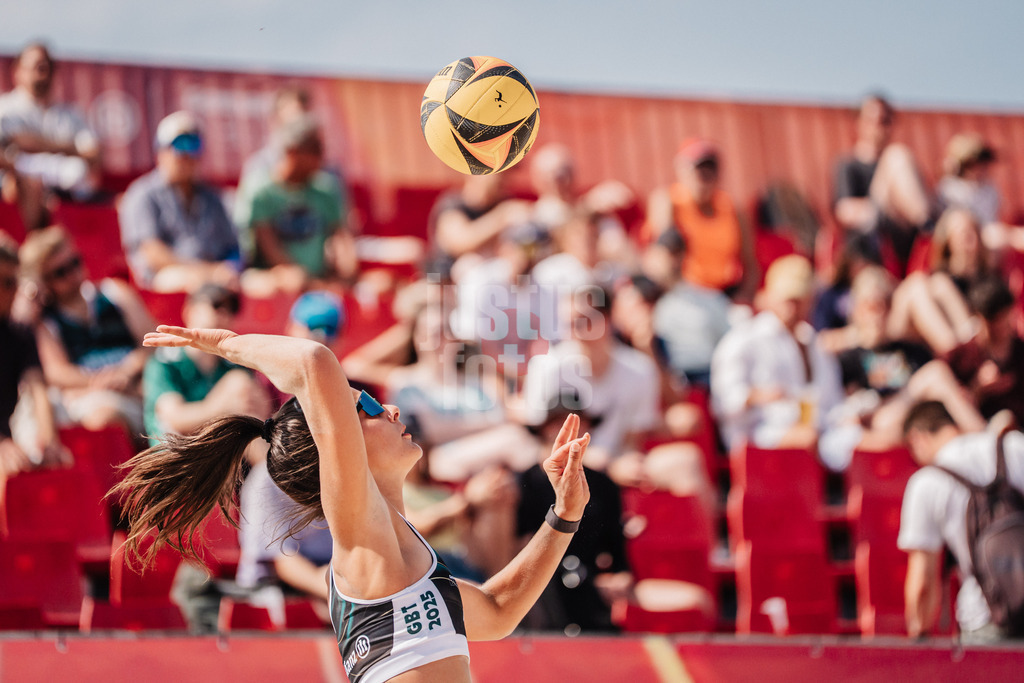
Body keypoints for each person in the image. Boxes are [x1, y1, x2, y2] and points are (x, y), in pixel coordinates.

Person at [112, 324, 591, 683]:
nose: (391, 408)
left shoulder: (400, 550)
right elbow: (314, 361)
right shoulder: (359, 525)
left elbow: (499, 609)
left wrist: (564, 515)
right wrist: (226, 344)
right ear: (339, 447)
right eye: (369, 408)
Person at [899, 401, 1024, 643]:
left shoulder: (926, 482)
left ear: (917, 438)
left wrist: (919, 636)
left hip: (985, 617)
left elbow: (923, 580)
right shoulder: (1015, 446)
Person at [710, 255, 851, 470]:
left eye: (800, 299)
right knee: (808, 438)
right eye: (788, 299)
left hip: (818, 432)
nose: (793, 307)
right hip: (757, 436)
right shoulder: (744, 340)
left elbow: (832, 403)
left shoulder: (814, 343)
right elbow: (724, 401)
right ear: (769, 297)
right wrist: (758, 395)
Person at [20, 226, 153, 434]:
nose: (72, 273)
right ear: (45, 281)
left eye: (74, 262)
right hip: (91, 395)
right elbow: (56, 372)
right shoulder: (47, 321)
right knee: (104, 417)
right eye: (60, 272)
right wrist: (101, 381)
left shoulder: (115, 292)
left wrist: (129, 369)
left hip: (137, 383)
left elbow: (154, 341)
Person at [118, 111, 240, 292]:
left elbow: (232, 248)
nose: (187, 155)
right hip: (162, 279)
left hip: (213, 275)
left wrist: (229, 269)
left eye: (194, 145)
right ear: (161, 152)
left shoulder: (214, 197)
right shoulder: (142, 194)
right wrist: (207, 272)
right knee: (192, 281)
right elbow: (152, 254)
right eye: (180, 145)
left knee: (261, 283)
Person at [239, 114, 357, 295]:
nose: (321, 156)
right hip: (281, 285)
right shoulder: (261, 192)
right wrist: (308, 282)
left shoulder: (326, 190)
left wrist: (347, 274)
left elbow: (341, 238)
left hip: (320, 282)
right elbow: (270, 249)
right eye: (314, 149)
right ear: (292, 151)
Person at [142, 284, 270, 445]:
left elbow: (262, 414)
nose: (223, 314)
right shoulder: (165, 363)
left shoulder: (235, 366)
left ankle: (266, 461)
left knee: (241, 385)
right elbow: (175, 419)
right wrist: (225, 409)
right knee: (238, 383)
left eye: (231, 309)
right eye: (216, 305)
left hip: (223, 450)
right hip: (178, 453)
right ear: (191, 311)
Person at [0, 43, 101, 230]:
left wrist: (36, 145)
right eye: (36, 66)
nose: (41, 72)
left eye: (46, 67)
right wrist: (69, 148)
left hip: (67, 195)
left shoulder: (71, 114)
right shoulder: (4, 108)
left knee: (78, 174)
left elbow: (94, 156)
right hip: (17, 195)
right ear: (17, 72)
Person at [646, 138, 759, 302]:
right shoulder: (669, 202)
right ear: (681, 171)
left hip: (724, 293)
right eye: (697, 170)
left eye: (710, 170)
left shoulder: (733, 210)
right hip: (684, 290)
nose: (704, 177)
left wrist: (744, 296)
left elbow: (751, 264)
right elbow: (663, 254)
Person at [832, 94, 933, 272]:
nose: (879, 127)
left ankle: (928, 227)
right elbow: (845, 211)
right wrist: (884, 207)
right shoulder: (849, 165)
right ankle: (929, 227)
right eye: (873, 120)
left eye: (885, 121)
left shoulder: (904, 168)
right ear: (860, 123)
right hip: (871, 242)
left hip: (902, 238)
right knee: (897, 155)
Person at [0, 230, 64, 474]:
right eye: (7, 283)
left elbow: (37, 389)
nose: (15, 290)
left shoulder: (19, 334)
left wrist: (48, 443)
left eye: (15, 281)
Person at [887, 208, 991, 355]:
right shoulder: (936, 281)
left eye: (971, 231)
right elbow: (899, 327)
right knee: (918, 285)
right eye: (961, 232)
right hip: (930, 345)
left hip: (975, 343)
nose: (966, 237)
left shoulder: (988, 280)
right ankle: (954, 350)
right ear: (948, 239)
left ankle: (957, 351)